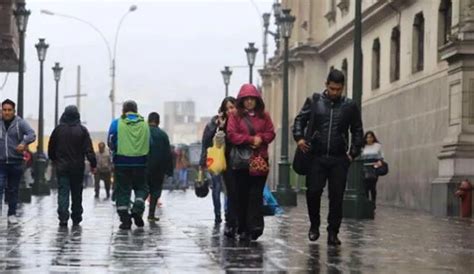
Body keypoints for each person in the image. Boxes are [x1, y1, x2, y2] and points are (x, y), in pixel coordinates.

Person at [293, 69, 364, 246]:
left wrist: (352, 153)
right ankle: (314, 225)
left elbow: (357, 130)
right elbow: (299, 120)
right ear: (326, 85)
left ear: (343, 88)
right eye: (332, 88)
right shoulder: (314, 101)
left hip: (339, 158)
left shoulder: (349, 106)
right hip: (316, 156)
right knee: (313, 191)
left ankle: (333, 232)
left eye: (338, 89)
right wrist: (299, 138)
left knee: (337, 196)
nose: (335, 92)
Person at [227, 84, 275, 241]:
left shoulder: (264, 116)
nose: (248, 102)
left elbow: (271, 133)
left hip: (259, 160)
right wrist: (250, 139)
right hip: (241, 163)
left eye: (251, 99)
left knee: (255, 194)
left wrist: (261, 139)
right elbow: (232, 135)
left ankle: (255, 226)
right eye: (245, 99)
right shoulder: (235, 116)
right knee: (242, 195)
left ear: (257, 100)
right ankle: (242, 227)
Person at [48, 105, 97, 227]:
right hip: (77, 168)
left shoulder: (58, 130)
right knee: (76, 193)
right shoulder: (82, 130)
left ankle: (63, 216)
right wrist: (93, 164)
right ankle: (76, 216)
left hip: (62, 167)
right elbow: (89, 150)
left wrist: (55, 160)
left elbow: (51, 148)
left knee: (63, 192)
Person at [108, 100, 150, 230]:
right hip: (141, 162)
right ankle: (137, 208)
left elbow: (110, 141)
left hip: (122, 162)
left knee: (123, 190)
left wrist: (116, 150)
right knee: (141, 188)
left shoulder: (117, 123)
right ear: (136, 110)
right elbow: (150, 143)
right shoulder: (144, 124)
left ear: (123, 110)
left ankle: (125, 219)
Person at [199, 97, 237, 229]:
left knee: (229, 188)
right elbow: (206, 142)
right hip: (215, 160)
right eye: (227, 108)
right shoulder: (212, 124)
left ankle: (228, 213)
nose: (230, 111)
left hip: (231, 160)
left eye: (232, 107)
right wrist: (218, 126)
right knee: (216, 187)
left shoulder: (237, 122)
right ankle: (218, 215)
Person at [0, 99, 36, 224]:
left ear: (14, 111)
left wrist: (24, 143)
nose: (7, 112)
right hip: (1, 162)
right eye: (4, 110)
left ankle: (11, 214)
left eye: (9, 110)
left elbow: (31, 134)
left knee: (13, 189)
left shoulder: (20, 123)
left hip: (15, 162)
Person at [146, 112, 173, 222]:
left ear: (148, 121)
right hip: (159, 169)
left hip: (144, 166)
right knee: (155, 191)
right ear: (158, 121)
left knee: (143, 189)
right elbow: (168, 154)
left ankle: (137, 210)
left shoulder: (144, 133)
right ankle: (151, 214)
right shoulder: (163, 135)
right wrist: (169, 170)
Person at [361, 131, 384, 205]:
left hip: (374, 168)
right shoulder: (363, 147)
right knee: (365, 187)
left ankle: (373, 203)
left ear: (373, 138)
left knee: (373, 186)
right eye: (367, 137)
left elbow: (381, 156)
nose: (369, 139)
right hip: (365, 168)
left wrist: (379, 162)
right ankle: (367, 203)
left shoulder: (377, 146)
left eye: (370, 137)